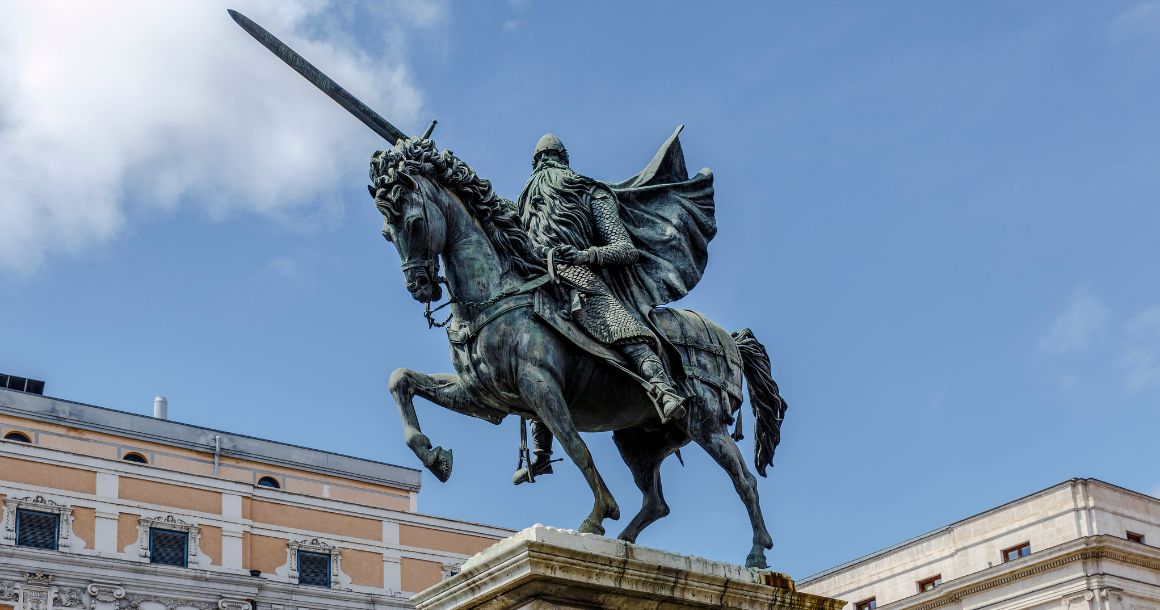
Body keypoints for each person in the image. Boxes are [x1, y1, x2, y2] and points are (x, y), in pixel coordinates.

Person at [513, 133, 689, 483]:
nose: (544, 167)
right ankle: (541, 453)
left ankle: (663, 387)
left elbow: (625, 250)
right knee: (524, 351)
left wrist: (584, 255)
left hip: (583, 277)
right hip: (536, 282)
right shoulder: (524, 207)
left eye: (548, 159)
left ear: (561, 160)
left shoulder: (591, 193)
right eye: (541, 161)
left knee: (618, 324)